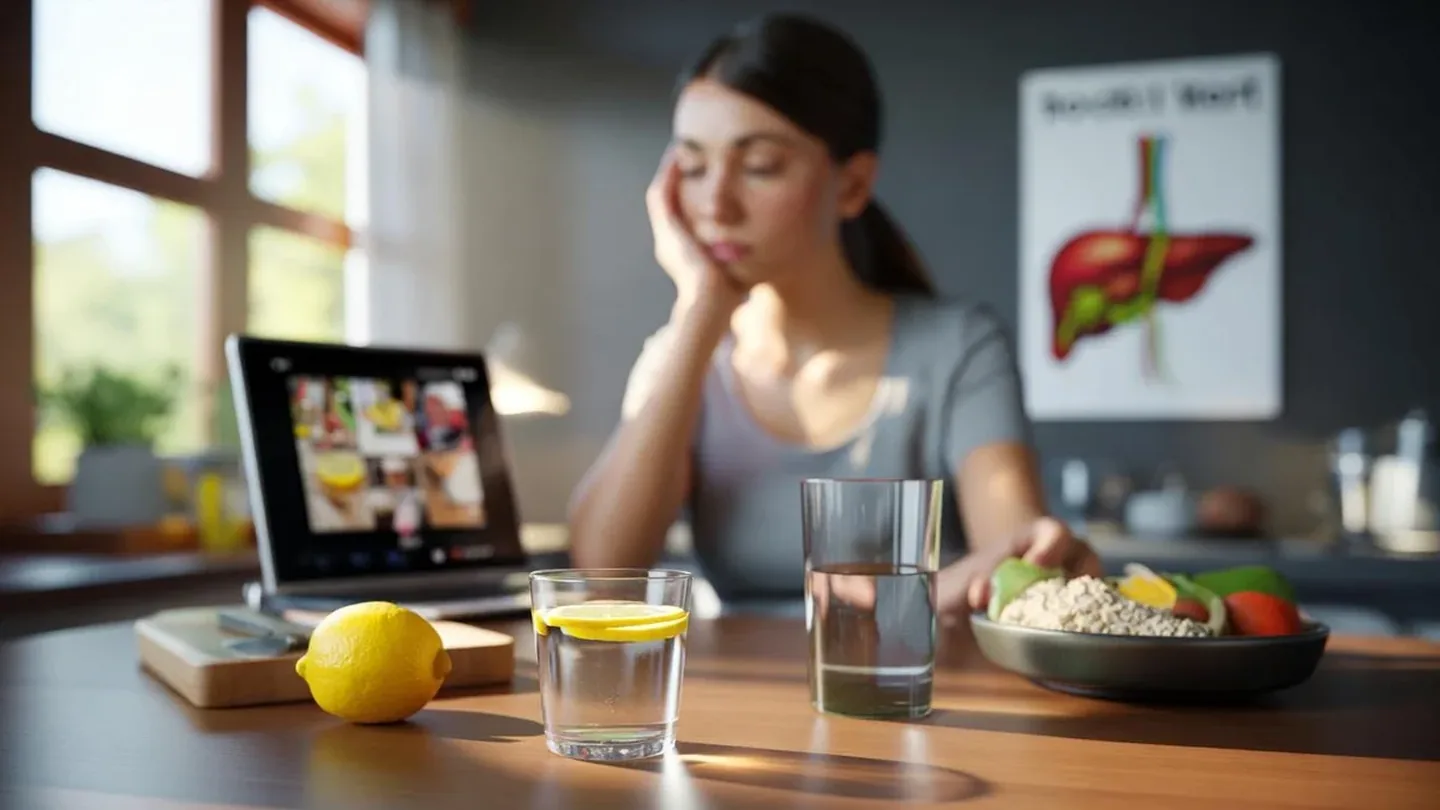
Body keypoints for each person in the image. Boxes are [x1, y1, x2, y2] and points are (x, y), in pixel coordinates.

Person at [567, 13, 1099, 621]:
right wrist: (701, 310)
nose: (715, 203)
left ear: (852, 185)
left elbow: (1019, 565)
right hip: (733, 680)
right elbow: (601, 572)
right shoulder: (681, 358)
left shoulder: (959, 348)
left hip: (910, 675)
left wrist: (913, 598)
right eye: (692, 167)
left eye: (760, 165)